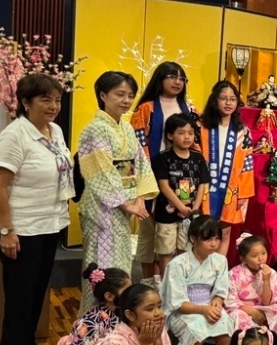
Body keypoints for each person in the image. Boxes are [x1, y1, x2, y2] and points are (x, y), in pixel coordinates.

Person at [0, 74, 75, 345]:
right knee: (21, 291)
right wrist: (7, 232)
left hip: (49, 223)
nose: (53, 106)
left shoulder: (55, 132)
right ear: (26, 102)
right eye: (45, 99)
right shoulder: (14, 136)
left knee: (36, 289)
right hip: (20, 227)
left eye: (57, 100)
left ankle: (21, 343)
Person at [77, 71, 158, 313]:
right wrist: (125, 203)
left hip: (124, 205)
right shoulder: (94, 130)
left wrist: (140, 197)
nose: (126, 100)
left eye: (130, 95)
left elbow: (140, 162)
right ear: (103, 95)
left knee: (122, 263)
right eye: (119, 94)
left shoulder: (126, 127)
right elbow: (100, 171)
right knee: (103, 266)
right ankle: (94, 321)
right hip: (102, 207)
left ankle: (116, 319)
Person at [130, 62, 195, 285]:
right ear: (160, 79)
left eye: (181, 78)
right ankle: (149, 281)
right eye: (172, 77)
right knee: (149, 230)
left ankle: (170, 281)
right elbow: (137, 144)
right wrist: (149, 175)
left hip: (182, 182)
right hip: (151, 178)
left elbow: (195, 145)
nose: (177, 82)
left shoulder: (190, 109)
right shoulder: (146, 109)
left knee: (175, 233)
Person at [161, 216, 233, 345]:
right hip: (183, 311)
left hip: (208, 307)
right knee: (199, 324)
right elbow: (176, 302)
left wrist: (217, 301)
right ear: (194, 238)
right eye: (208, 239)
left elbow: (221, 289)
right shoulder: (177, 264)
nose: (214, 243)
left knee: (225, 320)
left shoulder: (220, 261)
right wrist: (202, 310)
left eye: (217, 238)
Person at [199, 81, 255, 256]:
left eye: (233, 99)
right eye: (223, 98)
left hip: (231, 188)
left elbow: (248, 164)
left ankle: (219, 271)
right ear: (214, 100)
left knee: (225, 231)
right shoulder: (201, 127)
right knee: (202, 230)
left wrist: (244, 194)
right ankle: (198, 270)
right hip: (204, 187)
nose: (228, 103)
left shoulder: (242, 132)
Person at [150, 113, 209, 274]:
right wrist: (181, 207)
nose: (186, 137)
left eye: (190, 133)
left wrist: (194, 208)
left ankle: (184, 280)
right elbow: (163, 186)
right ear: (170, 135)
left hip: (191, 214)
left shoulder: (198, 158)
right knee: (165, 250)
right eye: (181, 133)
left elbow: (203, 183)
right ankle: (166, 283)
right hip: (166, 213)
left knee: (186, 248)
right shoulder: (162, 158)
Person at [226, 233, 277, 335]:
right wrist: (252, 311)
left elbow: (267, 302)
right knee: (239, 316)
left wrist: (266, 280)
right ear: (243, 259)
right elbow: (231, 300)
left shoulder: (271, 273)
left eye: (263, 253)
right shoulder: (234, 274)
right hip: (241, 308)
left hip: (263, 306)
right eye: (254, 256)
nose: (261, 259)